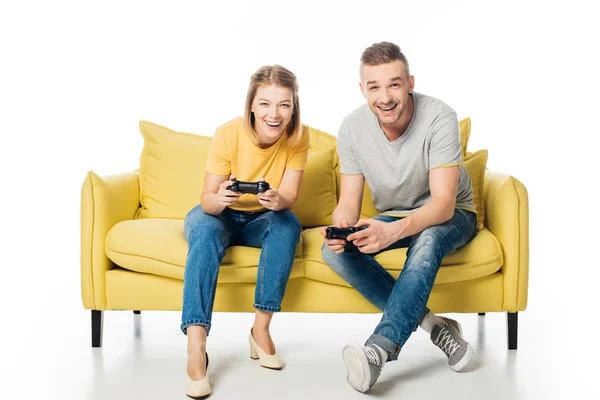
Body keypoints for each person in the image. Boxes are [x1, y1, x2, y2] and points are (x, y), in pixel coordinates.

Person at [321, 42, 478, 393]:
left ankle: (378, 351)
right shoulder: (351, 128)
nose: (385, 96)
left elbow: (442, 205)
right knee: (333, 251)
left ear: (409, 82)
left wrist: (392, 234)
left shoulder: (439, 117)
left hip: (455, 214)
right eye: (374, 87)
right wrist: (342, 227)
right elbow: (349, 201)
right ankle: (435, 327)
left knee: (429, 236)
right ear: (362, 90)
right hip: (396, 215)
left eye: (393, 84)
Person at [182, 65, 309, 398]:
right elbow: (206, 201)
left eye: (284, 104)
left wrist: (276, 198)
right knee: (206, 232)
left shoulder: (298, 137)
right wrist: (222, 197)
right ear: (251, 105)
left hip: (262, 218)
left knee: (288, 225)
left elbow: (290, 197)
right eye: (265, 104)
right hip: (219, 215)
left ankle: (261, 329)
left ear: (293, 107)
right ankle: (196, 347)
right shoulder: (228, 134)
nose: (275, 114)